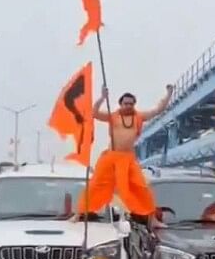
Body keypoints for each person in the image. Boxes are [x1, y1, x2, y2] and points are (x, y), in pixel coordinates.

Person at [73, 85, 173, 227]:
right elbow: (93, 113)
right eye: (126, 103)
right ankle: (79, 213)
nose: (128, 106)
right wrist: (102, 97)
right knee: (95, 186)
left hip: (128, 158)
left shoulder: (138, 117)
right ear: (120, 104)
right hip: (110, 157)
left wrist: (169, 94)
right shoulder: (113, 116)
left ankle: (153, 219)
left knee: (141, 188)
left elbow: (158, 110)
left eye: (131, 104)